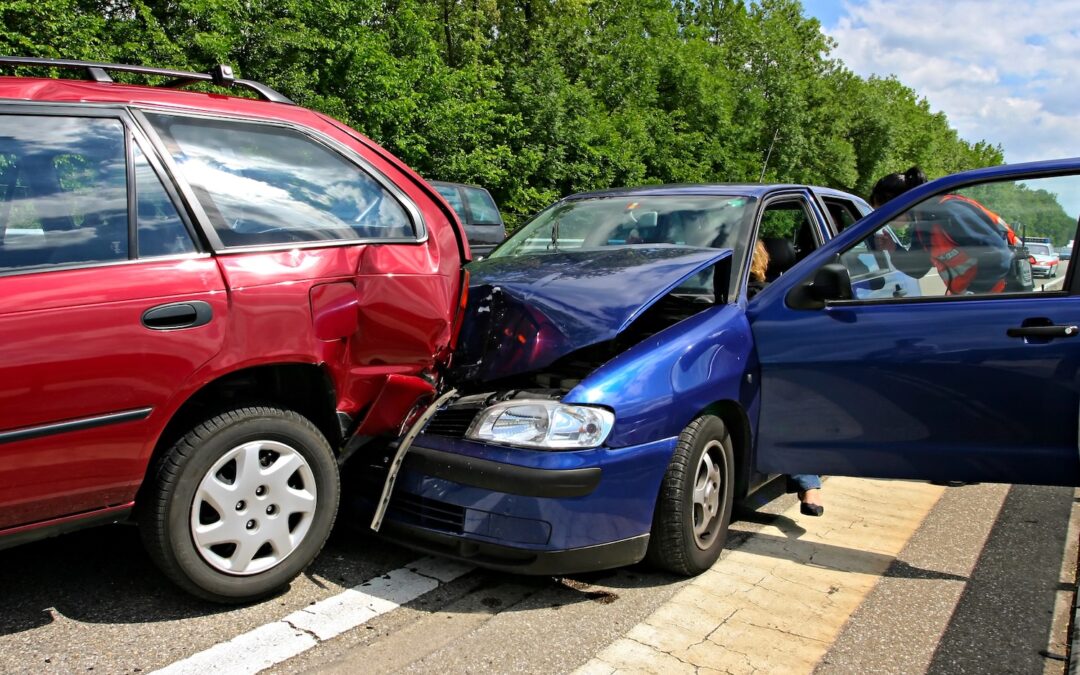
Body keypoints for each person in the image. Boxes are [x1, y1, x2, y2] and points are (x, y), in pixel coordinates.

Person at [747, 239, 825, 516]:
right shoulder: (776, 298)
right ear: (763, 262)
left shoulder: (767, 297)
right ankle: (809, 486)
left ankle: (808, 483)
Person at [869, 167, 1014, 295]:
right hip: (978, 299)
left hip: (1004, 296)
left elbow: (998, 257)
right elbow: (918, 269)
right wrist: (892, 248)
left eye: (885, 214)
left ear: (898, 203)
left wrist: (974, 294)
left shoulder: (949, 212)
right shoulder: (923, 226)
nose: (886, 221)